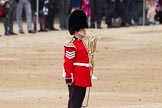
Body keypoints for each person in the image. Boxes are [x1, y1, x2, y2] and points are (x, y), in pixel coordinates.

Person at [63, 9, 92, 108]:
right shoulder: (72, 45)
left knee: (79, 101)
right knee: (74, 103)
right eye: (82, 29)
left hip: (83, 78)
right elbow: (68, 63)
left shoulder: (82, 43)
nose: (85, 31)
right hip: (76, 78)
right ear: (76, 30)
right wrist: (68, 77)